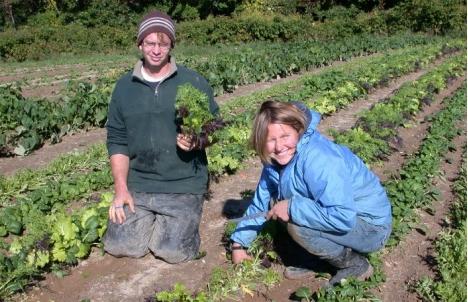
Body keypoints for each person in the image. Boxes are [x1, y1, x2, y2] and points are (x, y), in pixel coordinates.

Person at [229, 100, 392, 286]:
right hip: (342, 219)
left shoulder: (319, 159)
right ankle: (315, 260)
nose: (279, 146)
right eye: (271, 140)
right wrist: (238, 245)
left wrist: (292, 207)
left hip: (371, 228)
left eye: (285, 136)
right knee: (278, 207)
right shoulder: (274, 164)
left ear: (298, 130)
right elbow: (259, 204)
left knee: (295, 221)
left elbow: (343, 216)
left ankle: (354, 265)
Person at [103, 10, 219, 264]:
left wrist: (196, 141)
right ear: (140, 44)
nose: (156, 50)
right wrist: (121, 189)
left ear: (171, 46)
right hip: (139, 184)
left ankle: (180, 224)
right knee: (120, 246)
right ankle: (152, 220)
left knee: (173, 252)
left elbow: (213, 129)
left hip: (183, 185)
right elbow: (117, 140)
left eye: (163, 44)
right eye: (150, 43)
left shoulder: (193, 82)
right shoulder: (124, 88)